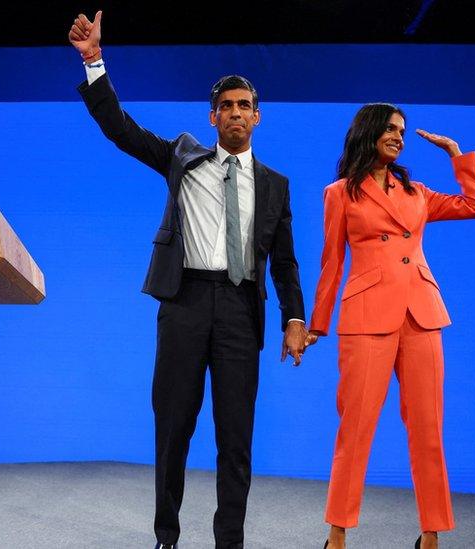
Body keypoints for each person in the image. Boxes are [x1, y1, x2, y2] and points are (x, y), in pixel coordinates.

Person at [68, 11, 307, 549]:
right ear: (212, 117)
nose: (236, 114)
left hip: (243, 311)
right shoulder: (182, 158)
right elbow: (120, 130)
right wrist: (93, 60)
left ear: (258, 117)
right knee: (173, 427)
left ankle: (230, 542)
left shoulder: (275, 186)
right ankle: (166, 537)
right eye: (226, 107)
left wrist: (295, 317)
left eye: (245, 106)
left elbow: (287, 262)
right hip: (185, 303)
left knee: (235, 437)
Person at [304, 103, 475, 549]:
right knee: (356, 427)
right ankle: (337, 533)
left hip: (422, 315)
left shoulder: (417, 192)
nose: (398, 136)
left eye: (401, 130)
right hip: (367, 316)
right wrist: (318, 324)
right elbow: (332, 262)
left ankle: (431, 534)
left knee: (428, 427)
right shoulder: (341, 192)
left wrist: (456, 155)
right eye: (389, 128)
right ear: (368, 132)